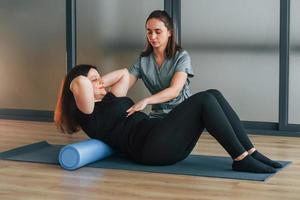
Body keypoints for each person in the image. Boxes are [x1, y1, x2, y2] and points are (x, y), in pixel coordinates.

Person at [54, 64, 282, 173]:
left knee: (213, 94)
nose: (101, 82)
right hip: (150, 148)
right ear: (77, 92)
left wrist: (98, 80)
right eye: (94, 79)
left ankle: (251, 152)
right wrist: (81, 80)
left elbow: (124, 73)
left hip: (160, 136)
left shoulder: (112, 97)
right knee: (203, 101)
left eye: (100, 77)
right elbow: (79, 83)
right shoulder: (87, 111)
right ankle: (240, 159)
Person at [127, 10, 194, 119]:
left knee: (211, 95)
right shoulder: (143, 60)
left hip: (184, 111)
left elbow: (174, 91)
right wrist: (98, 84)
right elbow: (126, 82)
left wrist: (146, 100)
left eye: (158, 32)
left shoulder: (182, 56)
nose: (152, 37)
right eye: (149, 31)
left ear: (169, 32)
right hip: (158, 115)